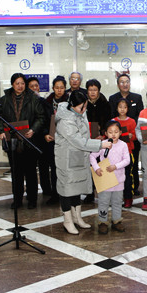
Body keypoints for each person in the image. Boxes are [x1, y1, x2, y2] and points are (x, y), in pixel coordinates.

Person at [55, 91, 112, 234]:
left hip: (80, 155)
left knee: (77, 187)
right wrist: (100, 145)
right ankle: (68, 221)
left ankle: (77, 218)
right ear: (72, 105)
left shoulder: (80, 112)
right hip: (67, 158)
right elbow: (78, 140)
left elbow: (84, 136)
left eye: (85, 106)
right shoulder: (65, 120)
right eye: (81, 107)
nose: (84, 110)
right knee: (66, 188)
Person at [0, 73, 45, 209]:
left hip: (29, 140)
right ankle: (17, 199)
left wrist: (33, 130)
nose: (20, 86)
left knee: (30, 172)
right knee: (16, 173)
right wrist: (1, 131)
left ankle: (32, 199)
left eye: (22, 83)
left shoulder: (33, 98)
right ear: (12, 84)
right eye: (17, 83)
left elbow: (41, 117)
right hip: (12, 141)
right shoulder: (4, 100)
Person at [89, 120, 130, 234]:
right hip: (105, 180)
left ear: (120, 132)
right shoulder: (103, 144)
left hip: (119, 180)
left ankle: (117, 221)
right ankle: (103, 222)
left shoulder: (123, 145)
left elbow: (127, 160)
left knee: (117, 202)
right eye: (110, 132)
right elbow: (92, 156)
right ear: (106, 133)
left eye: (116, 132)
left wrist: (115, 166)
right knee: (103, 201)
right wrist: (96, 168)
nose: (113, 134)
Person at [108, 73, 143, 193]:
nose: (125, 84)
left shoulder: (137, 97)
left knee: (133, 165)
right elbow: (111, 116)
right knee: (117, 163)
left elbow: (140, 116)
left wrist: (132, 130)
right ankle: (118, 187)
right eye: (122, 82)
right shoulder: (113, 98)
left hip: (132, 137)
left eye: (127, 82)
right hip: (116, 138)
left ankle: (134, 187)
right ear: (118, 84)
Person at [26, 76, 55, 203]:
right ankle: (31, 192)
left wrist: (47, 133)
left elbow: (49, 119)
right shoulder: (25, 103)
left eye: (36, 86)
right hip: (29, 139)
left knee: (44, 166)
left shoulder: (44, 101)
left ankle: (47, 189)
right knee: (30, 168)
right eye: (31, 86)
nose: (34, 88)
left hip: (43, 138)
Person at [42, 76, 68, 203]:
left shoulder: (70, 102)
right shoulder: (46, 102)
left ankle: (67, 193)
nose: (59, 90)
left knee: (66, 167)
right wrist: (45, 134)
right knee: (54, 168)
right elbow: (42, 120)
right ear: (53, 88)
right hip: (51, 140)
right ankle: (55, 194)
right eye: (57, 87)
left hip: (66, 140)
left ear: (65, 88)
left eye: (62, 88)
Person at [113, 98, 136, 208]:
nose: (122, 109)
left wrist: (131, 136)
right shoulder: (113, 121)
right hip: (115, 154)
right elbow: (108, 136)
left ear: (128, 109)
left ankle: (128, 198)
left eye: (125, 107)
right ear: (117, 108)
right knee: (115, 176)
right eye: (120, 107)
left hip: (128, 153)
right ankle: (116, 198)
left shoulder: (131, 121)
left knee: (127, 177)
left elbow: (136, 136)